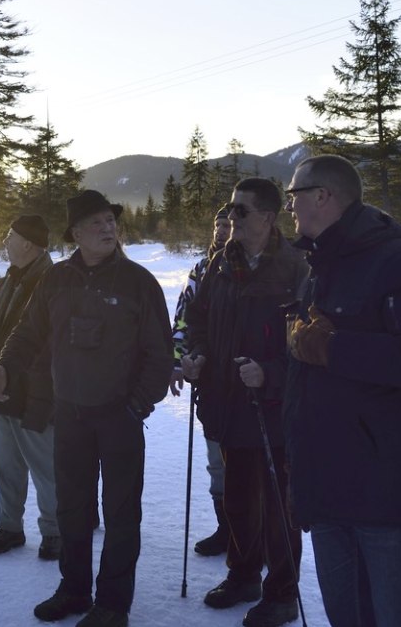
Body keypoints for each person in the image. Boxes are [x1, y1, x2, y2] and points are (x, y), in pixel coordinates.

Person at [280, 155, 401, 627]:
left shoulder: (400, 261)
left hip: (386, 488)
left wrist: (333, 348)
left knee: (399, 617)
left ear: (323, 196)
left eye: (293, 195)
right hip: (327, 482)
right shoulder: (320, 265)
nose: (289, 207)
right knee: (348, 617)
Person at [0, 190, 171, 627]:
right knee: (72, 508)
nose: (108, 228)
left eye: (111, 221)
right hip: (69, 414)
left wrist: (137, 406)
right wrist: (3, 369)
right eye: (96, 223)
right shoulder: (58, 279)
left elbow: (159, 355)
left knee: (122, 514)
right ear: (76, 235)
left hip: (119, 417)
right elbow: (27, 333)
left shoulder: (138, 282)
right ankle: (73, 590)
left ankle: (112, 605)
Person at [179, 178, 308, 627]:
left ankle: (281, 594)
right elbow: (198, 317)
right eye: (230, 210)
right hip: (228, 404)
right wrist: (196, 354)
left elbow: (312, 347)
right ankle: (243, 576)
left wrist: (270, 373)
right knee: (237, 499)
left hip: (276, 410)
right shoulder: (220, 264)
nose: (230, 218)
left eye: (241, 212)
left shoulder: (297, 268)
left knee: (278, 508)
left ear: (268, 219)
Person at [0, 215, 61, 561]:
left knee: (46, 466)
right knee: (5, 463)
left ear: (28, 245)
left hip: (34, 393)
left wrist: (14, 379)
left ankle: (55, 531)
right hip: (1, 389)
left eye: (10, 236)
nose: (4, 242)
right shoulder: (10, 280)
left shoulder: (51, 282)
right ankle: (10, 527)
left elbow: (49, 344)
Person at [171, 205, 236, 558]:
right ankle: (226, 530)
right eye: (218, 224)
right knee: (217, 461)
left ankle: (255, 535)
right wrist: (178, 361)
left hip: (246, 382)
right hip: (209, 379)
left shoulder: (253, 268)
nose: (222, 230)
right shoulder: (201, 269)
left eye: (229, 224)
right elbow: (184, 317)